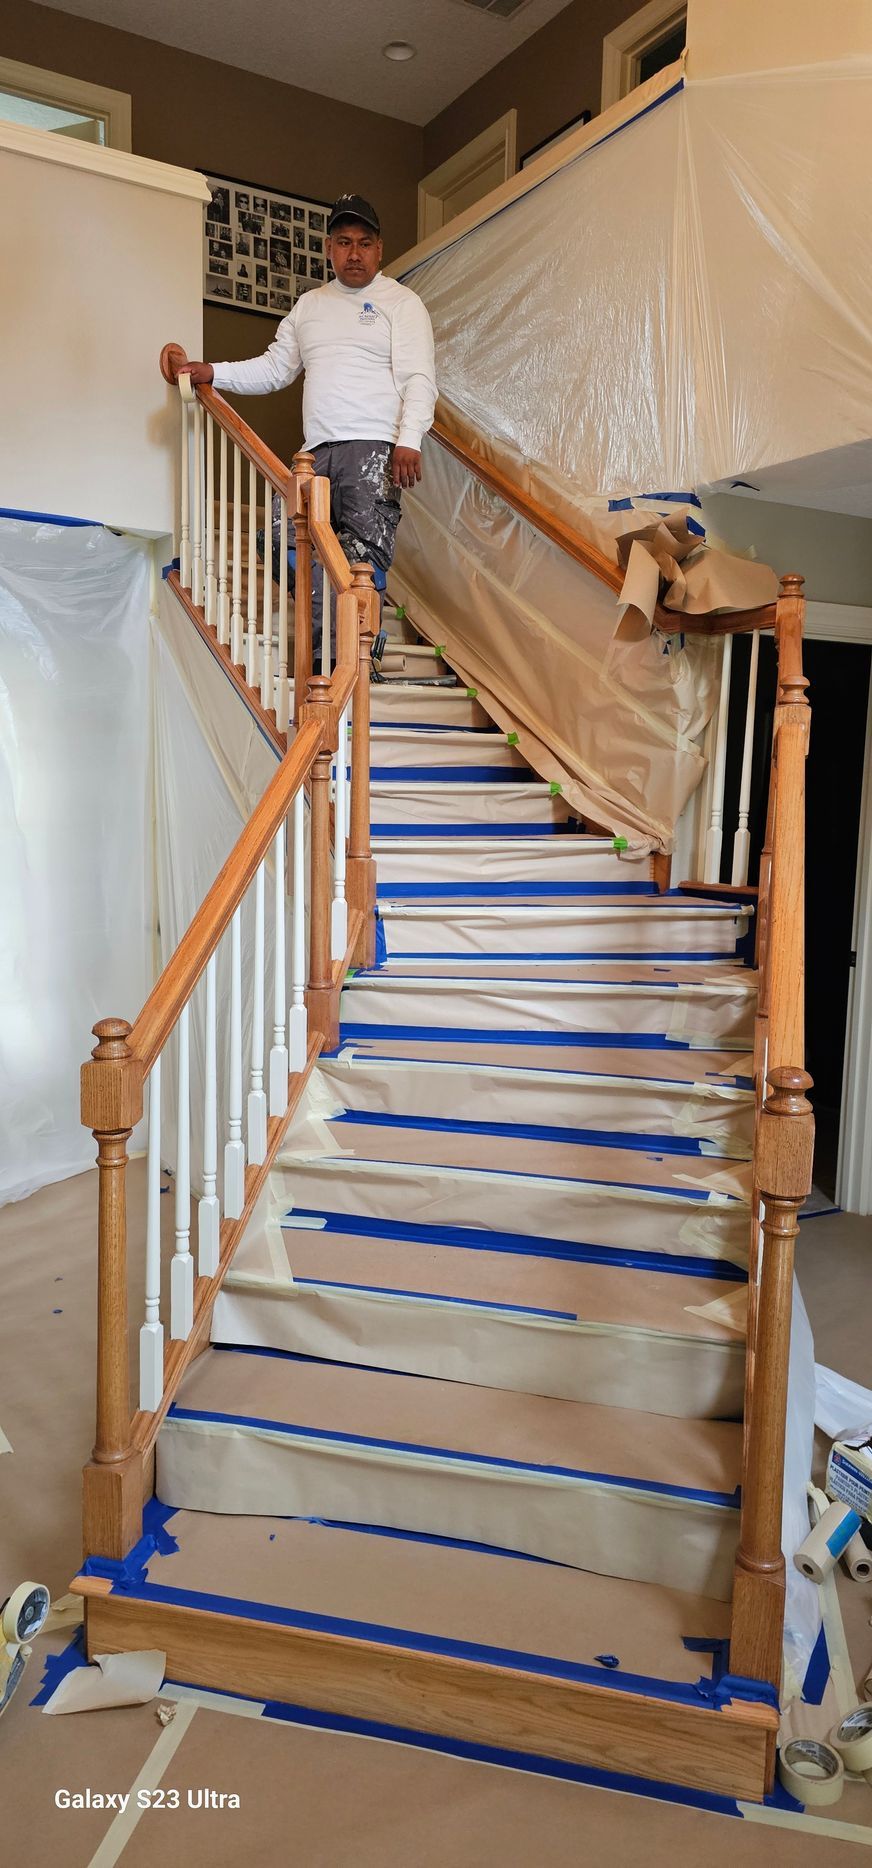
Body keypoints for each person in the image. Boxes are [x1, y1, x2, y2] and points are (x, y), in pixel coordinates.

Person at [176, 193, 437, 662]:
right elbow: (275, 368)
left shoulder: (402, 303)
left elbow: (420, 378)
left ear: (379, 249)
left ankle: (335, 662)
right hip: (315, 453)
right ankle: (353, 640)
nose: (353, 253)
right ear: (329, 249)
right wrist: (213, 372)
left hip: (373, 447)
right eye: (343, 242)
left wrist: (409, 440)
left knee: (361, 560)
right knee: (281, 541)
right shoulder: (309, 306)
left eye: (363, 243)